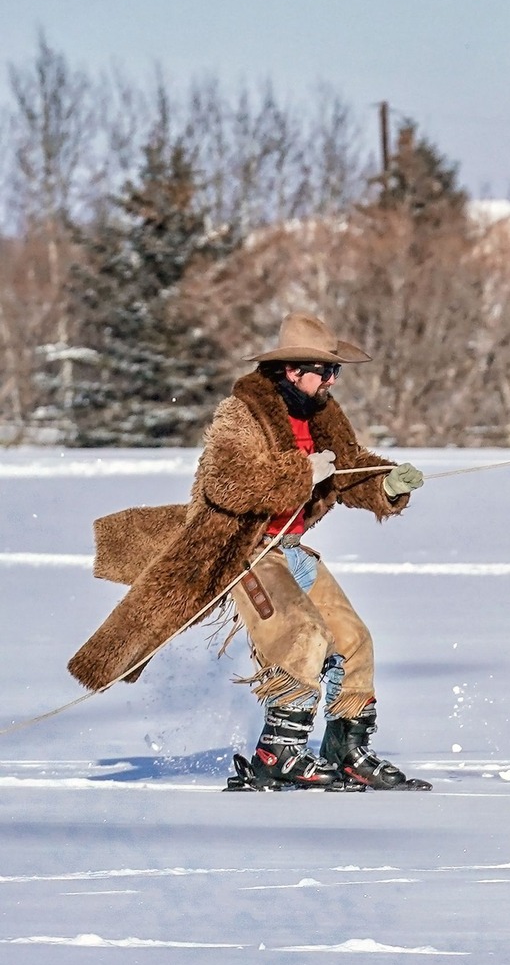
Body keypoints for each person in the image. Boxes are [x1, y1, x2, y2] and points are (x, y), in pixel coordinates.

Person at [67, 312, 431, 790]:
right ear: (291, 370)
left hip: (292, 548)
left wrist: (386, 484)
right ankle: (276, 754)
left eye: (335, 371)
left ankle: (348, 752)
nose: (332, 380)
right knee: (301, 634)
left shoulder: (322, 412)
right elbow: (227, 484)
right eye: (325, 371)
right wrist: (303, 475)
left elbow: (349, 466)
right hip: (247, 551)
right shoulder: (241, 413)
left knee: (353, 639)